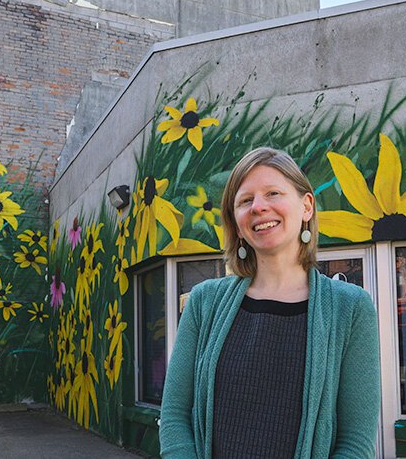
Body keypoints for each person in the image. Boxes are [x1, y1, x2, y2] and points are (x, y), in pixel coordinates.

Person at [159, 147, 381, 459]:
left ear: (306, 207)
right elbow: (173, 418)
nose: (259, 207)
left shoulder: (351, 308)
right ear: (237, 224)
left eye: (273, 193)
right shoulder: (203, 302)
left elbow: (355, 443)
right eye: (245, 200)